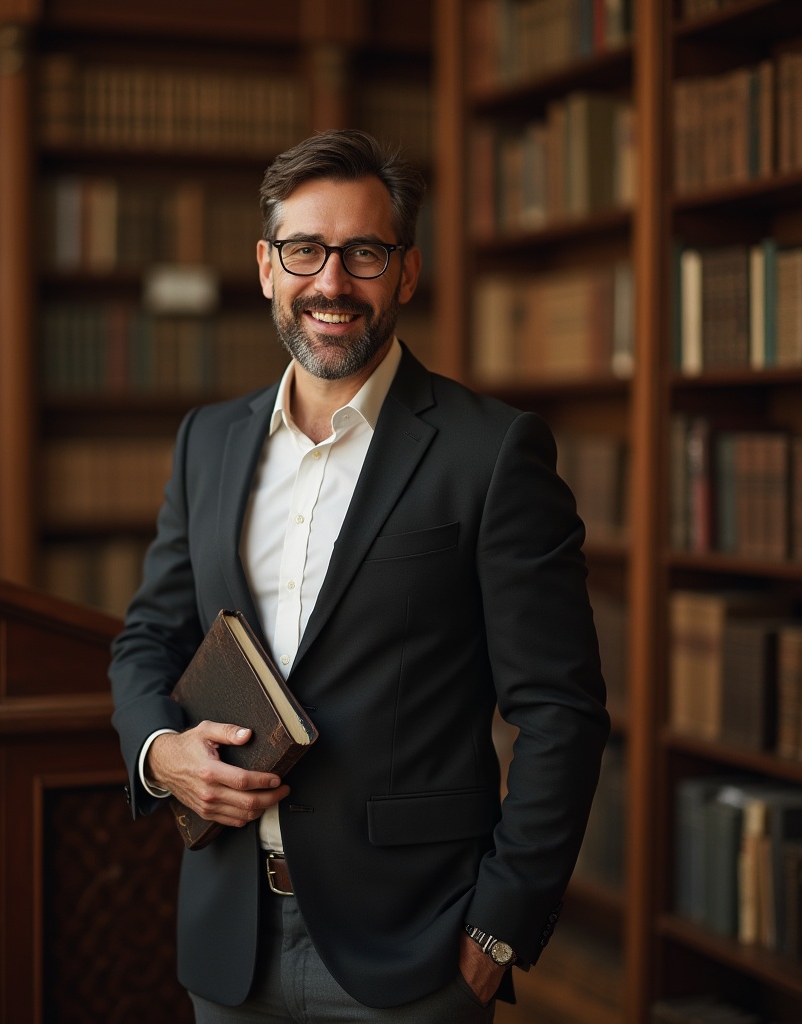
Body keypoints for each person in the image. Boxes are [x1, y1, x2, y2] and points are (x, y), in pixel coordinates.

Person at [109, 128, 610, 1022]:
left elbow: (561, 713)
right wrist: (159, 755)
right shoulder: (206, 443)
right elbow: (150, 637)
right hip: (228, 941)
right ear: (266, 266)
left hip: (415, 956)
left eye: (364, 253)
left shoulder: (492, 453)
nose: (331, 282)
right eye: (305, 250)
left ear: (405, 274)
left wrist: (496, 935)